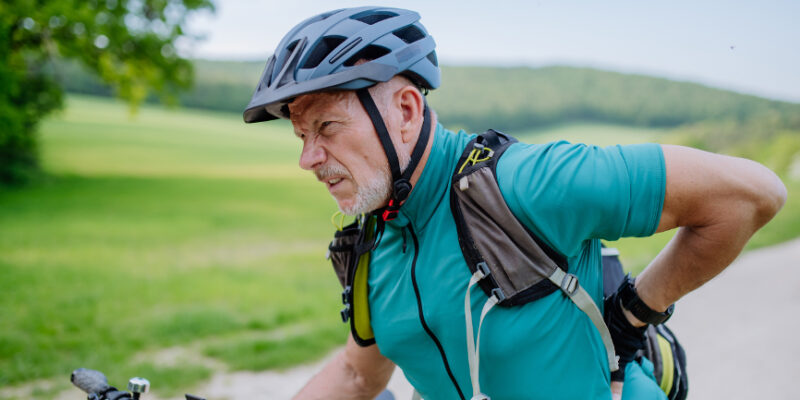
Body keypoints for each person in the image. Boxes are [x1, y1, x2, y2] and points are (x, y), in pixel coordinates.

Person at [242, 6, 787, 400]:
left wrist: (636, 309)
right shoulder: (371, 244)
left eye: (327, 128)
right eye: (301, 138)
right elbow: (360, 377)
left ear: (406, 112)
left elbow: (750, 195)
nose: (309, 158)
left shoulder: (528, 185)